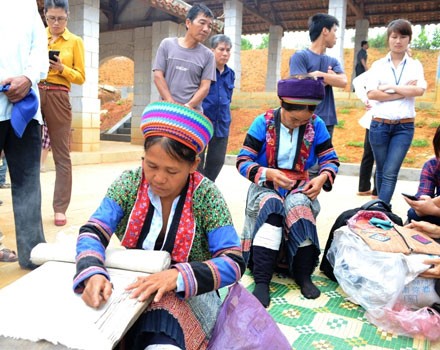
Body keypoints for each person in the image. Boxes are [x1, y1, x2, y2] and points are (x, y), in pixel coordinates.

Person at [73, 101, 245, 349]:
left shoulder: (206, 196)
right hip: (131, 287)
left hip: (188, 295)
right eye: (151, 165)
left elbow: (233, 261)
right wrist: (92, 272)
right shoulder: (130, 183)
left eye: (172, 171)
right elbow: (93, 231)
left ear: (193, 165)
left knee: (161, 333)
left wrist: (178, 276)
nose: (158, 178)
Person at [236, 75, 339, 306]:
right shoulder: (262, 123)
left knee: (299, 207)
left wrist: (322, 178)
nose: (297, 124)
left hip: (299, 185)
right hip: (266, 184)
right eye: (293, 119)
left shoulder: (317, 124)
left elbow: (330, 160)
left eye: (304, 121)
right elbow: (243, 161)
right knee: (271, 206)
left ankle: (302, 274)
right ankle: (262, 279)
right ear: (282, 104)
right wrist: (267, 173)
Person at [0, 0, 48, 268]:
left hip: (25, 108)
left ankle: (32, 254)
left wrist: (28, 77)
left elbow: (38, 51)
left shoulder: (27, 4)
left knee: (28, 183)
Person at [365, 19, 426, 205]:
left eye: (403, 36)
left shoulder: (415, 65)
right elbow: (372, 93)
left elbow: (419, 90)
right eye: (394, 36)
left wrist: (391, 87)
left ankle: (381, 209)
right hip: (380, 125)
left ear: (409, 39)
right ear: (388, 39)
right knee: (382, 169)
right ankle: (381, 208)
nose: (398, 40)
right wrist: (402, 93)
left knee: (390, 171)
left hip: (404, 127)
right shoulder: (378, 65)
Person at [39, 0, 86, 226]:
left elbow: (81, 76)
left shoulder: (75, 41)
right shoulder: (38, 37)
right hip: (35, 92)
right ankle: (30, 203)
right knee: (24, 149)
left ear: (68, 16)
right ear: (45, 15)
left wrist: (62, 69)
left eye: (61, 18)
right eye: (51, 18)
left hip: (59, 94)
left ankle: (60, 208)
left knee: (61, 154)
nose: (56, 23)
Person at [289, 13, 347, 140]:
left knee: (324, 159)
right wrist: (330, 78)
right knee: (301, 159)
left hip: (327, 121)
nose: (336, 36)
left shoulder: (333, 60)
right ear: (325, 31)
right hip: (303, 119)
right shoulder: (300, 57)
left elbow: (343, 81)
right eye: (334, 31)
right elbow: (299, 86)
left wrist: (318, 75)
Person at [153, 3, 216, 112]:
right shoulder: (167, 44)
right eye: (202, 23)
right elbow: (158, 76)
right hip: (165, 112)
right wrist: (170, 103)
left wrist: (188, 107)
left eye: (209, 26)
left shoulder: (208, 55)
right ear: (188, 23)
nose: (206, 29)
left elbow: (205, 87)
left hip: (191, 117)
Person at [198, 34, 235, 181]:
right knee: (197, 160)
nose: (225, 53)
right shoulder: (203, 71)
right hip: (202, 122)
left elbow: (229, 97)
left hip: (222, 124)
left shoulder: (230, 73)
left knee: (217, 161)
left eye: (228, 50)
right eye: (221, 49)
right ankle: (196, 190)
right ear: (212, 50)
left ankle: (207, 187)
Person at [404, 126, 440, 225]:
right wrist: (421, 204)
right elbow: (423, 196)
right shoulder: (432, 165)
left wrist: (434, 210)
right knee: (413, 214)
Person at [352, 72, 377, 197]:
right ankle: (376, 190)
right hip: (378, 118)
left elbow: (357, 81)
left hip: (373, 119)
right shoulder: (381, 66)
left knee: (369, 154)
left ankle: (364, 187)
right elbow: (357, 81)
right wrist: (367, 100)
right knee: (381, 156)